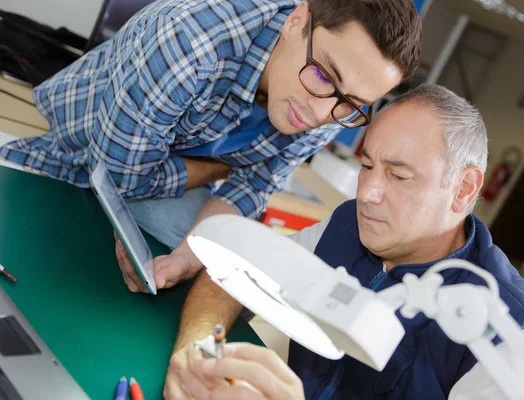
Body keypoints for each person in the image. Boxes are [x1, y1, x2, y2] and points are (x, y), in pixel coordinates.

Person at [162, 85, 524, 399]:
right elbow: (232, 275)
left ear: (463, 189)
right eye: (367, 166)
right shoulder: (347, 228)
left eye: (398, 176)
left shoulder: (504, 334)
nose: (368, 193)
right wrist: (198, 355)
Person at [0, 0, 421, 293]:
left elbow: (253, 186)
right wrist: (217, 169)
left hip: (154, 174)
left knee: (226, 272)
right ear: (297, 20)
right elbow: (120, 178)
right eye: (326, 76)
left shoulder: (333, 102)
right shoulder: (189, 42)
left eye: (352, 104)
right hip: (72, 156)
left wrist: (187, 257)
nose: (319, 114)